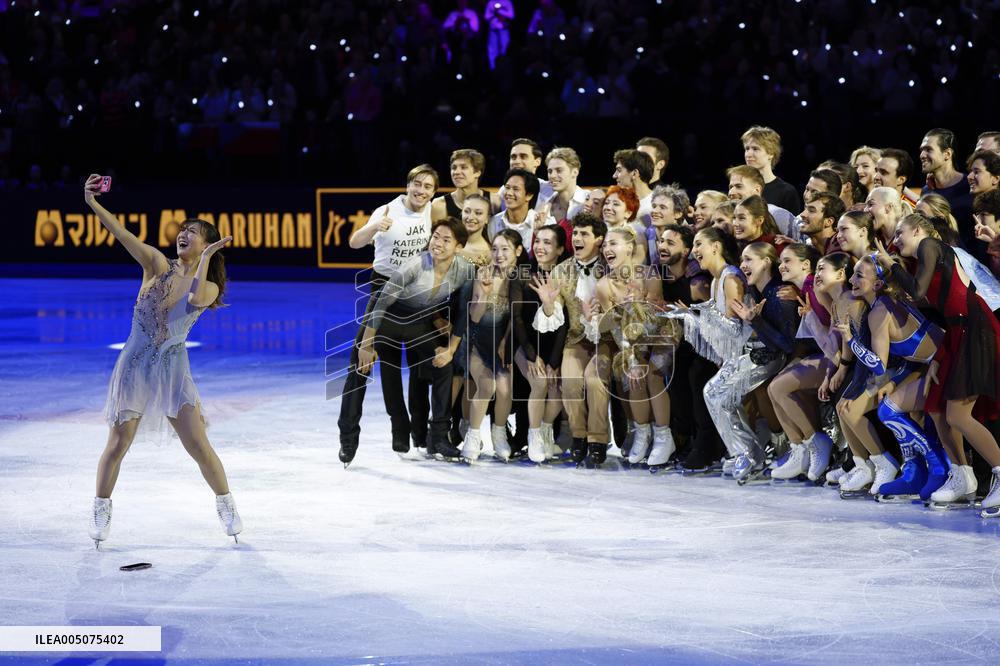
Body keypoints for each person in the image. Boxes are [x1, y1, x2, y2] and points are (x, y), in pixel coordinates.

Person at [83, 174, 242, 548]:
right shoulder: (156, 264)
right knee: (118, 443)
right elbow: (122, 234)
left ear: (206, 245)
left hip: (172, 369)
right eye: (182, 230)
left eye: (193, 232)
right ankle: (101, 507)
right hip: (135, 364)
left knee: (198, 445)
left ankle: (226, 504)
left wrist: (206, 260)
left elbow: (195, 299)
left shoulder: (209, 286)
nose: (183, 234)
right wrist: (92, 203)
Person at [877, 214, 1000, 516]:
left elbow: (918, 292)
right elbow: (944, 311)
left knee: (958, 415)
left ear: (918, 229)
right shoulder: (925, 260)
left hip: (974, 329)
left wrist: (891, 264)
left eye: (901, 233)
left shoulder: (929, 245)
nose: (896, 240)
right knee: (935, 406)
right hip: (957, 334)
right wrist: (940, 357)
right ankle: (962, 475)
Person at [339, 164, 438, 466]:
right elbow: (355, 242)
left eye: (428, 187)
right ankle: (348, 438)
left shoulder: (434, 211)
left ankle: (416, 433)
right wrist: (374, 228)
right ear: (408, 185)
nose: (421, 191)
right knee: (361, 361)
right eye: (417, 184)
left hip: (419, 291)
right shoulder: (386, 210)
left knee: (421, 365)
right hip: (383, 289)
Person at [357, 218, 476, 461]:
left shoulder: (465, 270)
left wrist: (450, 348)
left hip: (419, 323)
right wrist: (366, 345)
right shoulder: (414, 265)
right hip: (390, 319)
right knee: (390, 370)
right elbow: (381, 304)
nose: (438, 243)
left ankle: (438, 436)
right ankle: (399, 427)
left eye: (446, 240)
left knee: (444, 365)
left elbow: (464, 311)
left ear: (459, 247)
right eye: (436, 237)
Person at [832, 255, 948, 500]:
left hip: (946, 364)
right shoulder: (885, 302)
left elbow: (878, 366)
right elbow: (911, 358)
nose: (851, 280)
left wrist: (850, 340)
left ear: (877, 284)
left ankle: (938, 467)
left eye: (859, 276)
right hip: (927, 365)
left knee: (888, 410)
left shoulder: (880, 310)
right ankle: (915, 471)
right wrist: (894, 381)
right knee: (897, 407)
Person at [703, 242, 801, 482]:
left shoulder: (779, 295)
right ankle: (747, 451)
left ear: (766, 262)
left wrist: (755, 321)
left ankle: (749, 453)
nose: (743, 265)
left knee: (717, 393)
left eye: (749, 259)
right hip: (753, 353)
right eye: (742, 260)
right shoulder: (756, 289)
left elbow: (786, 345)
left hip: (771, 357)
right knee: (713, 392)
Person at [581, 226, 669, 466]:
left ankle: (663, 436)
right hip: (629, 342)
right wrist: (632, 360)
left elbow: (658, 322)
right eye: (605, 245)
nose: (607, 249)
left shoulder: (649, 275)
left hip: (660, 338)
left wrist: (640, 305)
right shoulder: (603, 286)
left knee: (652, 373)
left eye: (613, 243)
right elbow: (617, 331)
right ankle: (642, 433)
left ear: (630, 248)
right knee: (632, 374)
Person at [668, 227, 747, 472]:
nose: (694, 251)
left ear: (716, 246)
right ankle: (718, 446)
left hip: (746, 353)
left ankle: (736, 450)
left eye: (698, 244)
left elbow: (735, 329)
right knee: (692, 371)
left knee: (705, 380)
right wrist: (691, 315)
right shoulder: (715, 280)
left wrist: (698, 314)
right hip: (726, 353)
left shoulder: (730, 279)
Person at [768, 248, 848, 482]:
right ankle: (800, 448)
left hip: (839, 358)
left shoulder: (815, 287)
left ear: (805, 265)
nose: (781, 265)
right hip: (829, 354)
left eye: (787, 260)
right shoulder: (807, 289)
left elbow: (835, 334)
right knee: (775, 388)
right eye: (780, 261)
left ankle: (816, 441)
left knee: (778, 387)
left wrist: (831, 371)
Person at [534, 213, 607, 463]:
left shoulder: (609, 267)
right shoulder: (561, 271)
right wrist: (547, 305)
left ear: (598, 239)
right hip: (575, 338)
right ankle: (579, 436)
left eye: (584, 234)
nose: (577, 238)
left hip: (607, 340)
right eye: (575, 233)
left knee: (594, 381)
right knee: (571, 381)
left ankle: (598, 439)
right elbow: (554, 316)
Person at [459, 230, 524, 462]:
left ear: (518, 251)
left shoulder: (519, 277)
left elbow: (516, 317)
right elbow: (474, 317)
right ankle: (473, 435)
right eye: (494, 249)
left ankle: (499, 435)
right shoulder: (483, 274)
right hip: (476, 341)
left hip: (501, 343)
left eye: (505, 249)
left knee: (505, 389)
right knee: (487, 385)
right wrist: (485, 295)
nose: (498, 254)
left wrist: (506, 342)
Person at [518, 225, 570, 462]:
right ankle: (534, 435)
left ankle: (547, 430)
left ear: (559, 249)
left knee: (557, 386)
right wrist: (531, 355)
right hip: (524, 344)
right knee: (539, 382)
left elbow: (564, 324)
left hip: (553, 345)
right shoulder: (522, 275)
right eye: (537, 241)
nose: (540, 246)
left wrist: (554, 362)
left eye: (547, 242)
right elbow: (517, 320)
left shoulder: (564, 277)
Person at [919, 128, 972, 232]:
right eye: (922, 150)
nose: (922, 155)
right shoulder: (926, 190)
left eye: (928, 150)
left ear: (947, 154)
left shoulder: (970, 186)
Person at [741, 125, 801, 213]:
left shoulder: (786, 192)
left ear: (771, 153)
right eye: (747, 149)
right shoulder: (740, 188)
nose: (748, 154)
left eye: (755, 149)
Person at [431, 149, 500, 222]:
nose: (456, 172)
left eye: (463, 167)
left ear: (477, 172)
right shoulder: (439, 205)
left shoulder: (495, 202)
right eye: (454, 168)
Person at [538, 146, 589, 238]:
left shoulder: (589, 200)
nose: (552, 176)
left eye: (559, 170)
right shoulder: (543, 204)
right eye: (550, 171)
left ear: (575, 172)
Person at [612, 148, 655, 226]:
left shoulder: (656, 205)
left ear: (634, 173)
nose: (614, 176)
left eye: (619, 170)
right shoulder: (617, 202)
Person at [799, 191, 845, 255]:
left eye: (811, 211)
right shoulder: (813, 247)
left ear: (829, 222)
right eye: (805, 209)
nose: (802, 214)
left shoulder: (840, 249)